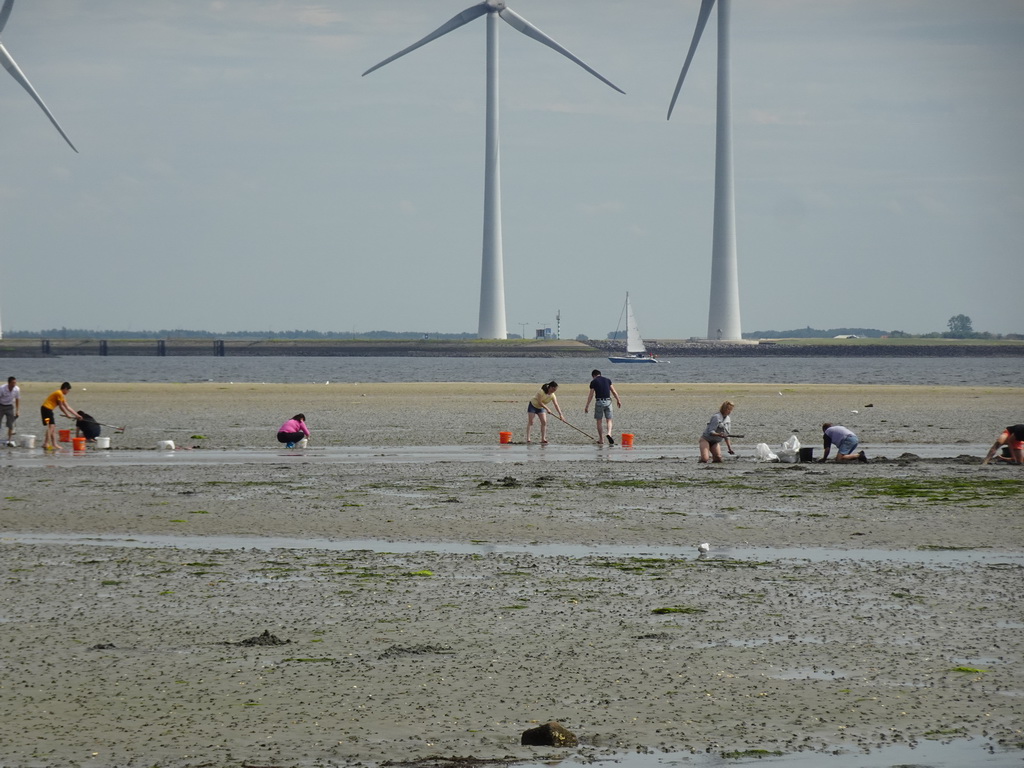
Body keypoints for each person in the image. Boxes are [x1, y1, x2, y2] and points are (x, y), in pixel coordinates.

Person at [584, 369, 622, 445]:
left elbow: (591, 395)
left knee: (599, 421)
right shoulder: (608, 380)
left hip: (599, 402)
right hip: (608, 402)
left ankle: (601, 440)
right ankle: (609, 433)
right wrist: (618, 400)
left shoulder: (593, 382)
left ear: (593, 376)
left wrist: (587, 405)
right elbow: (613, 391)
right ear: (600, 374)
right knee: (609, 420)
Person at [40, 382, 80, 451]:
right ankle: (46, 443)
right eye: (68, 390)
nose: (68, 392)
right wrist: (67, 414)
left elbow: (67, 407)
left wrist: (77, 415)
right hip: (46, 409)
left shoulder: (62, 396)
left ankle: (54, 444)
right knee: (51, 426)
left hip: (47, 410)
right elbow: (61, 406)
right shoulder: (59, 393)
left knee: (53, 427)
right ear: (65, 389)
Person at [1, 376, 20, 447]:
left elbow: (17, 399)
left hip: (10, 406)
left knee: (10, 424)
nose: (14, 384)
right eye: (13, 383)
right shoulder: (2, 388)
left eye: (15, 382)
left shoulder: (17, 389)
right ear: (9, 383)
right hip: (1, 406)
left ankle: (9, 440)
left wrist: (17, 410)